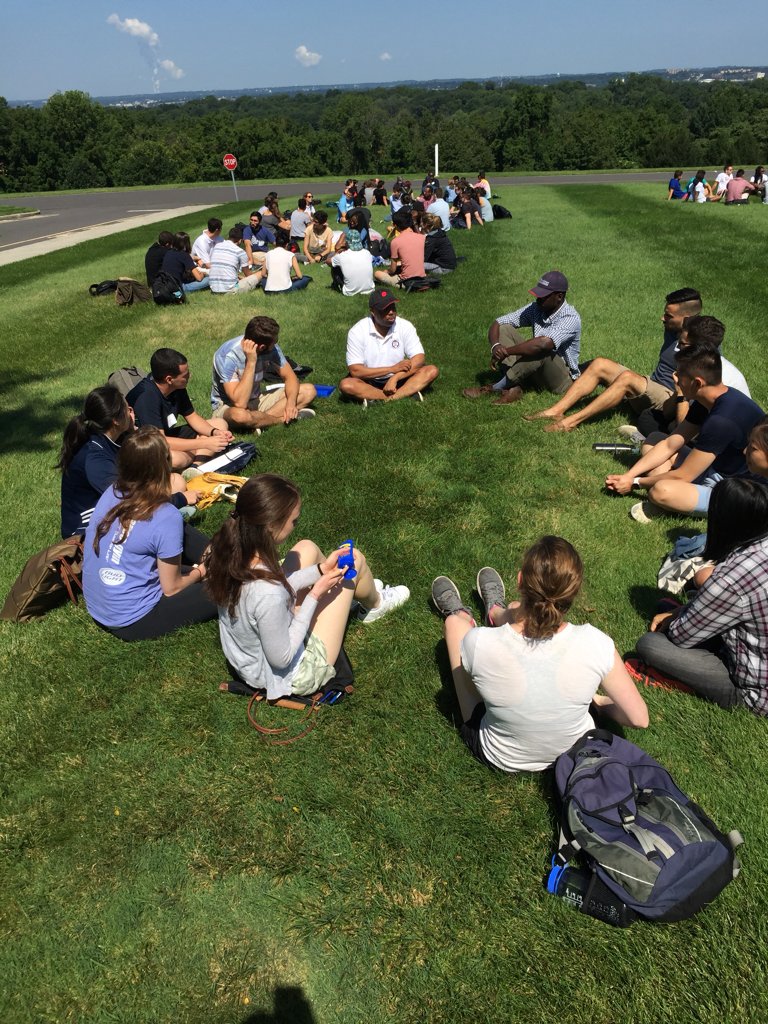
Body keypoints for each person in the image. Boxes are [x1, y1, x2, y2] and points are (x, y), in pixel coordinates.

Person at [431, 537, 648, 773]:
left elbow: (472, 686)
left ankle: (466, 614)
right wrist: (599, 703)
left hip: (500, 755)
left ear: (520, 580)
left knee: (454, 625)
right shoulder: (596, 643)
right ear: (573, 592)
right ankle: (496, 612)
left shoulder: (477, 642)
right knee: (515, 610)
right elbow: (639, 719)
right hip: (572, 753)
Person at [205, 474, 410, 698]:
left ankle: (352, 598)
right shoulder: (267, 592)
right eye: (294, 521)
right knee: (356, 560)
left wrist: (320, 570)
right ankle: (375, 605)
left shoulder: (228, 551)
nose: (295, 525)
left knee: (306, 547)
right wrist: (315, 595)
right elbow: (281, 659)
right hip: (289, 675)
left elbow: (272, 589)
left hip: (248, 660)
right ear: (271, 526)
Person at [634, 476, 768, 715]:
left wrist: (679, 617)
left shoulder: (730, 578)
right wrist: (681, 610)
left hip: (755, 692)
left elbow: (681, 637)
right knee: (673, 610)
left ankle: (680, 681)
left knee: (651, 645)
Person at [82, 427, 217, 641]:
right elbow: (172, 588)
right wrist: (200, 573)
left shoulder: (113, 490)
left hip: (100, 606)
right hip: (134, 620)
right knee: (229, 585)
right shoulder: (165, 515)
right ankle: (222, 561)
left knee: (178, 534)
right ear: (164, 465)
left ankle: (218, 555)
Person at [605, 344, 764, 522]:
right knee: (655, 439)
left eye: (679, 374)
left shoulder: (721, 421)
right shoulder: (711, 399)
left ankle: (672, 501)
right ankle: (676, 500)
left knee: (661, 491)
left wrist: (635, 483)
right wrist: (629, 475)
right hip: (713, 467)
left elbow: (684, 475)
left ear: (697, 383)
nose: (674, 377)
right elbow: (670, 443)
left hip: (736, 489)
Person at [58, 385, 209, 557]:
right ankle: (210, 556)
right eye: (126, 407)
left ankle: (204, 555)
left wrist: (133, 432)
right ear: (115, 421)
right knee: (164, 518)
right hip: (86, 534)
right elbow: (131, 501)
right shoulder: (95, 458)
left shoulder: (107, 439)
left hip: (113, 512)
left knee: (173, 484)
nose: (131, 410)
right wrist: (180, 499)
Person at [524, 287, 701, 431]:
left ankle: (570, 423)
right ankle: (556, 410)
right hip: (653, 384)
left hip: (670, 397)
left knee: (627, 379)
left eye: (669, 316)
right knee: (600, 364)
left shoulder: (701, 342)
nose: (662, 318)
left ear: (687, 319)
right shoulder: (673, 328)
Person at [463, 270, 582, 406]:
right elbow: (499, 322)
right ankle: (515, 386)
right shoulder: (537, 307)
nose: (538, 298)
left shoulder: (571, 318)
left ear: (559, 296)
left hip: (560, 380)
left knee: (540, 349)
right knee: (504, 329)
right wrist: (496, 346)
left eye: (543, 296)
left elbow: (543, 344)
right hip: (536, 369)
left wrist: (506, 351)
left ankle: (495, 387)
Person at [127, 349, 233, 470]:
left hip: (166, 435)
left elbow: (192, 417)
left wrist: (215, 433)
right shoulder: (146, 397)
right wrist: (204, 443)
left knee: (219, 423)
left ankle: (194, 467)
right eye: (185, 375)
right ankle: (198, 457)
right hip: (146, 446)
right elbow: (159, 441)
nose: (190, 376)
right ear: (169, 379)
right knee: (176, 459)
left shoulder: (177, 387)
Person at [211, 315, 317, 432]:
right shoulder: (226, 356)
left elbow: (290, 378)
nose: (276, 344)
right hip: (229, 406)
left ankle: (258, 422)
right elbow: (239, 403)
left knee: (309, 391)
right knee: (240, 416)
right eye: (275, 341)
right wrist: (251, 362)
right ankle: (279, 420)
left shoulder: (272, 349)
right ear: (262, 347)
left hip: (257, 399)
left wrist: (291, 403)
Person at [339, 290, 439, 405]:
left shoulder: (405, 326)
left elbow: (419, 359)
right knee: (347, 385)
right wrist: (391, 369)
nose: (391, 312)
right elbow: (356, 370)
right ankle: (405, 394)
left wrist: (395, 377)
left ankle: (382, 400)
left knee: (431, 370)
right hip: (370, 380)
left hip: (401, 377)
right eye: (385, 309)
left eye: (393, 307)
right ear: (373, 312)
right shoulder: (357, 331)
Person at [374, 210, 426, 288]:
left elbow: (392, 270)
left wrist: (387, 271)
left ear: (395, 225)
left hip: (406, 281)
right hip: (422, 277)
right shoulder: (422, 237)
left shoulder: (395, 241)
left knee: (377, 273)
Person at [209, 227, 261, 294]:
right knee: (260, 273)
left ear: (229, 236)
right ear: (240, 240)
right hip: (231, 289)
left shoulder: (217, 246)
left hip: (213, 288)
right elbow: (248, 274)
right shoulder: (240, 252)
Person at [330, 230, 374, 295]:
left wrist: (337, 253)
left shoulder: (342, 255)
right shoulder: (367, 253)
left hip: (349, 292)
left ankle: (337, 286)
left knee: (335, 266)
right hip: (370, 289)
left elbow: (328, 261)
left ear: (347, 242)